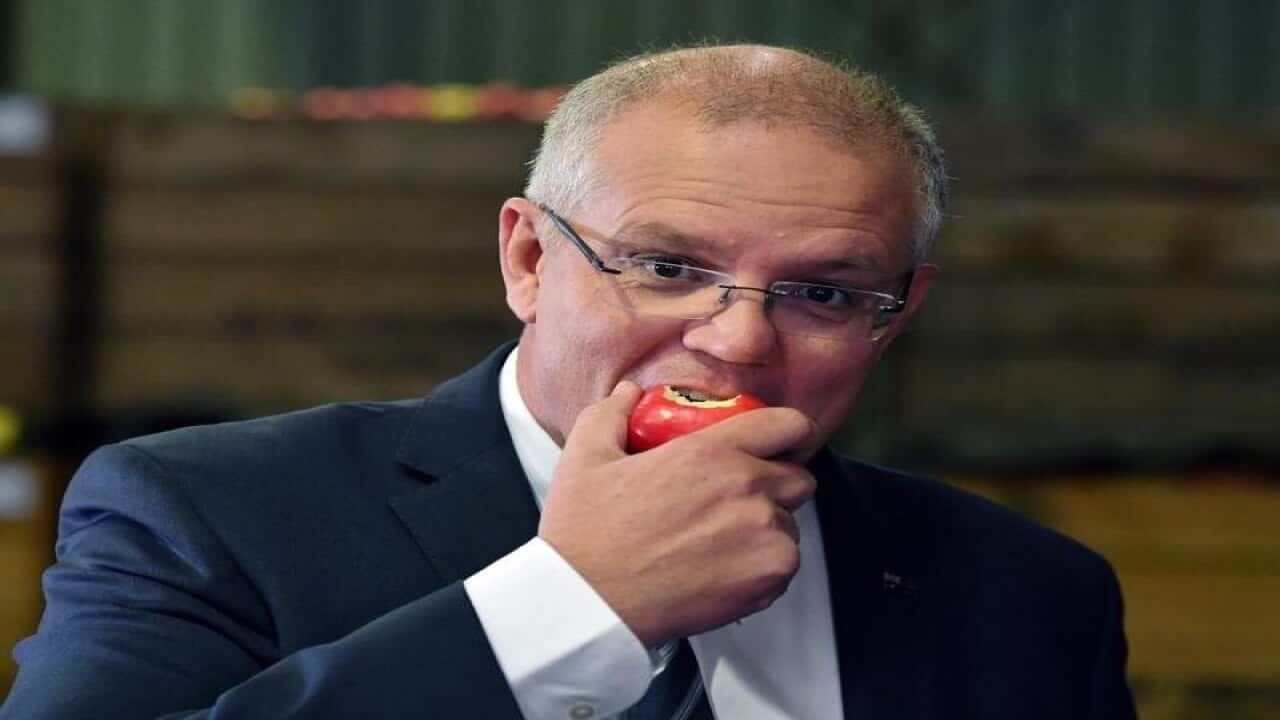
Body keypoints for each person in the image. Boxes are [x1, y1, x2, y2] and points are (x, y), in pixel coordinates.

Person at [2, 44, 1136, 719]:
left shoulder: (1026, 595)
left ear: (894, 321)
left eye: (823, 294)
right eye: (664, 268)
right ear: (529, 260)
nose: (737, 343)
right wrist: (573, 604)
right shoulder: (209, 512)